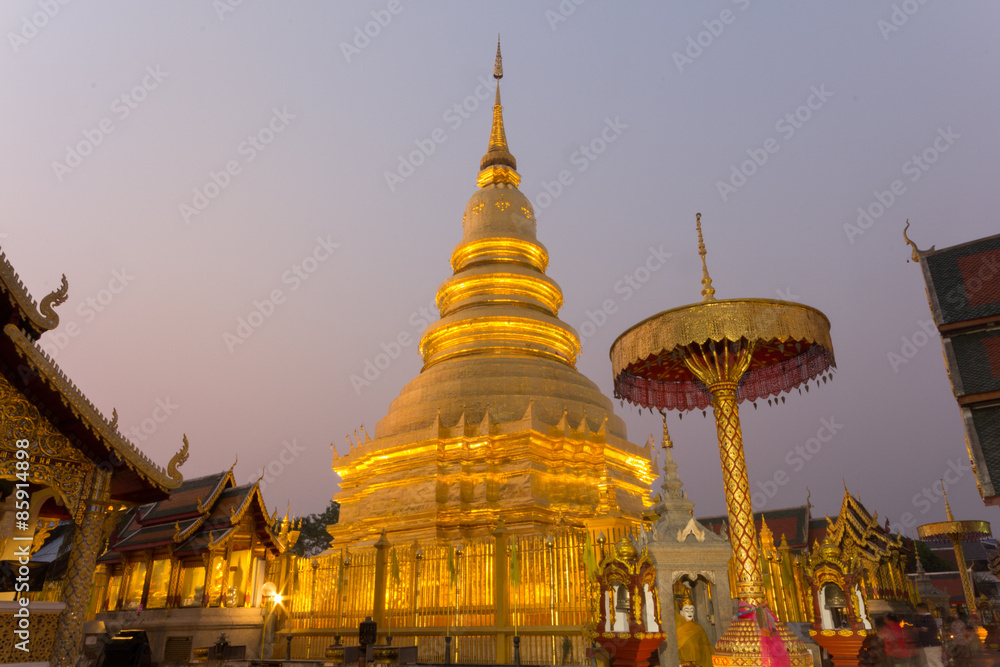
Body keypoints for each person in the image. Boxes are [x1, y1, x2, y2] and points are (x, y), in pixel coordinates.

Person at [675, 593, 714, 667]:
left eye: (692, 611)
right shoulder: (677, 626)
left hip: (697, 663)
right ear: (681, 612)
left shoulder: (698, 628)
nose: (690, 613)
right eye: (687, 611)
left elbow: (705, 648)